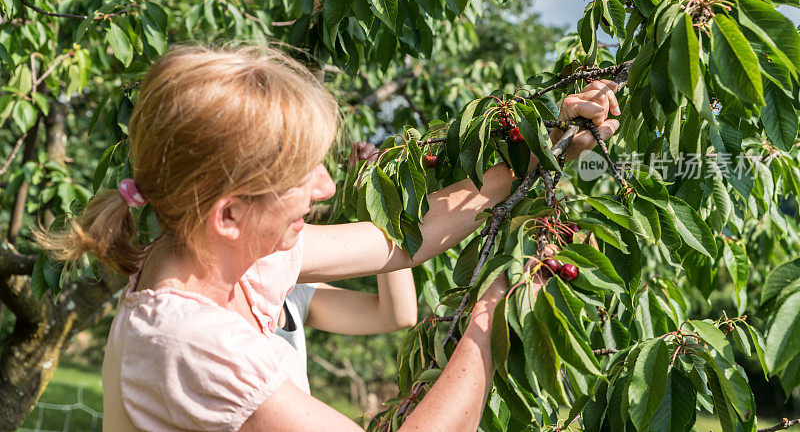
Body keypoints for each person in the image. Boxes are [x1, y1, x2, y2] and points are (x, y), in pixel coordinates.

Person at [38, 45, 620, 431]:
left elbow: (401, 238)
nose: (324, 185)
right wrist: (492, 315)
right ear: (228, 215)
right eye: (300, 175)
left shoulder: (233, 260)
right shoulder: (188, 341)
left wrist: (550, 147)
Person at [276, 142, 418, 376]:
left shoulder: (293, 294)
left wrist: (376, 192)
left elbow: (398, 314)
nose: (327, 188)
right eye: (299, 169)